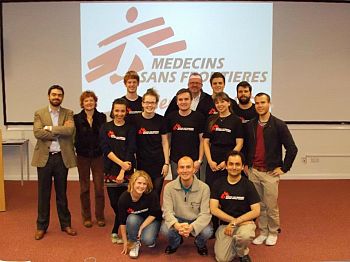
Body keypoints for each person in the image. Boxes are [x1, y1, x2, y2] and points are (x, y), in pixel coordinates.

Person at [245, 93, 298, 246]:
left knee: (271, 205)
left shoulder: (279, 125)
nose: (259, 105)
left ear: (269, 104)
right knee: (258, 205)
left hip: (270, 173)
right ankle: (263, 232)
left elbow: (292, 149)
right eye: (257, 103)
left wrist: (284, 168)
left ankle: (273, 232)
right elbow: (247, 147)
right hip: (253, 171)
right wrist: (246, 165)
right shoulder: (250, 125)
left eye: (263, 102)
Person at [32, 84, 77, 240]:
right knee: (43, 194)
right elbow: (37, 132)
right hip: (44, 158)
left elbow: (69, 131)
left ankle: (66, 224)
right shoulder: (39, 113)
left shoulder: (68, 113)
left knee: (61, 194)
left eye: (59, 95)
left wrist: (50, 128)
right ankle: (41, 226)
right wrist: (59, 131)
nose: (56, 97)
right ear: (48, 96)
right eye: (54, 94)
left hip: (61, 157)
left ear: (62, 97)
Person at [210, 151, 260, 262]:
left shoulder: (248, 185)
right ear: (226, 166)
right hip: (226, 225)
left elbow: (256, 211)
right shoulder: (218, 184)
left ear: (242, 167)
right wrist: (233, 222)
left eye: (237, 164)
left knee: (245, 235)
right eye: (231, 164)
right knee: (222, 259)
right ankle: (234, 242)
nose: (234, 167)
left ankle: (242, 253)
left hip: (245, 224)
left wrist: (235, 223)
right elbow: (213, 209)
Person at [100, 98, 136, 244]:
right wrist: (120, 164)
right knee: (115, 203)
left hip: (127, 171)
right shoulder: (105, 127)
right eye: (117, 110)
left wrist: (123, 171)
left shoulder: (131, 128)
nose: (119, 113)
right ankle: (124, 223)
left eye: (122, 111)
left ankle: (116, 230)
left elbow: (131, 149)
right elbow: (105, 149)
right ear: (112, 111)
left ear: (126, 112)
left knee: (124, 202)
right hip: (110, 169)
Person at [161, 156, 213, 256]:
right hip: (177, 219)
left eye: (188, 167)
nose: (185, 170)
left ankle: (200, 244)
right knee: (165, 229)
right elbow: (167, 211)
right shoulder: (169, 187)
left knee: (207, 231)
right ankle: (175, 243)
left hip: (196, 219)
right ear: (177, 170)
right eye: (182, 167)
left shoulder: (204, 188)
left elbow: (205, 214)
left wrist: (192, 227)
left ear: (194, 169)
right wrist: (176, 225)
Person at [74, 91, 106, 228]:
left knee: (99, 188)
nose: (89, 103)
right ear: (82, 103)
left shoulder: (102, 117)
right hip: (82, 156)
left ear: (95, 102)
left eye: (91, 100)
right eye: (86, 101)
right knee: (84, 188)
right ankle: (86, 217)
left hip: (98, 156)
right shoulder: (76, 118)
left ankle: (100, 216)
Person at [133, 88, 169, 197]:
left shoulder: (161, 120)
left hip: (158, 163)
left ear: (156, 104)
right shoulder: (135, 120)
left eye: (152, 102)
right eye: (147, 102)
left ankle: (155, 214)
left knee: (156, 193)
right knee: (142, 192)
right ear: (142, 103)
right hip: (142, 163)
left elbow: (165, 142)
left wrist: (166, 163)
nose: (150, 105)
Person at [203, 92, 244, 188]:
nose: (220, 105)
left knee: (227, 189)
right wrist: (209, 161)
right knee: (211, 188)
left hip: (229, 158)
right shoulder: (211, 119)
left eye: (223, 102)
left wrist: (227, 161)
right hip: (213, 159)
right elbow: (205, 142)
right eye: (217, 103)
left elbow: (240, 143)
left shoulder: (236, 120)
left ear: (229, 103)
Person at [118, 171, 162, 259]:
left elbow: (154, 214)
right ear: (133, 182)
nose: (141, 186)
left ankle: (151, 234)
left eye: (144, 184)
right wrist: (126, 241)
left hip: (152, 219)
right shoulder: (124, 198)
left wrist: (142, 227)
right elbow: (122, 222)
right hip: (136, 218)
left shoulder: (152, 194)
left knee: (148, 240)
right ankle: (134, 243)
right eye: (139, 183)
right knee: (131, 219)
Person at [165, 88, 205, 179]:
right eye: (180, 99)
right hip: (175, 161)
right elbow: (167, 141)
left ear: (191, 100)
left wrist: (199, 160)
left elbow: (202, 141)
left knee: (194, 190)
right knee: (176, 189)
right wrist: (167, 161)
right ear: (176, 102)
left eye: (186, 99)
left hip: (194, 161)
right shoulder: (171, 117)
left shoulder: (199, 117)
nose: (183, 102)